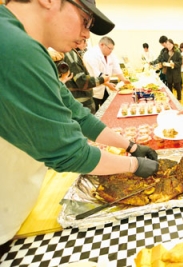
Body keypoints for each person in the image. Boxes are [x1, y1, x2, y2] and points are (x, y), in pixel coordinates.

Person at [0, 0, 159, 248]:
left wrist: (131, 146)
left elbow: (77, 113)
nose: (86, 34)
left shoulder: (22, 42)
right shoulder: (15, 46)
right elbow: (68, 152)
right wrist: (134, 164)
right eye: (85, 22)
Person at [64, 39, 110, 114]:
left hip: (81, 101)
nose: (86, 44)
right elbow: (82, 82)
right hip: (81, 103)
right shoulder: (71, 55)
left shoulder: (73, 54)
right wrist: (102, 79)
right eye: (84, 41)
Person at [84, 36, 130, 111]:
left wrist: (124, 80)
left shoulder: (110, 54)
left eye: (112, 49)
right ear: (102, 45)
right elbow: (97, 75)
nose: (111, 51)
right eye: (110, 48)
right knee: (95, 111)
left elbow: (116, 69)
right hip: (94, 89)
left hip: (105, 87)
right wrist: (108, 84)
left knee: (107, 109)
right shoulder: (91, 55)